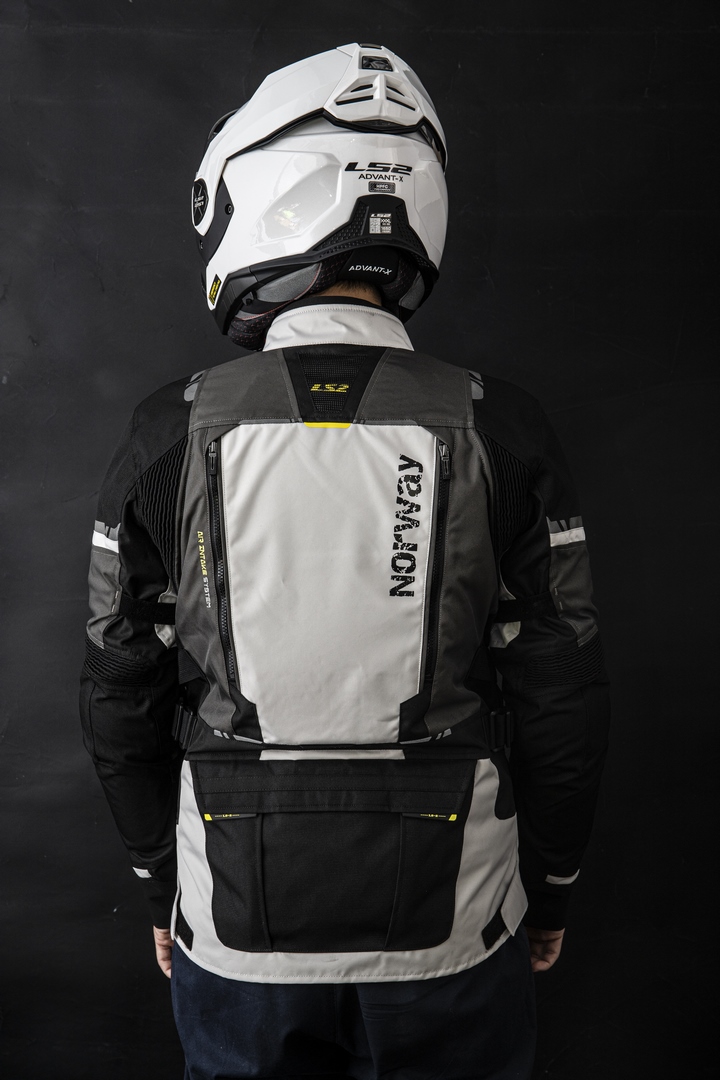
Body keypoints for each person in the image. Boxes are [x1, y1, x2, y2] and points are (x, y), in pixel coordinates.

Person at [80, 43, 610, 1080]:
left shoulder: (167, 434)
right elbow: (564, 690)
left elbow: (118, 688)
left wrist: (159, 884)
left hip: (233, 924)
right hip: (460, 931)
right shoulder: (502, 428)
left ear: (256, 195)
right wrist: (553, 886)